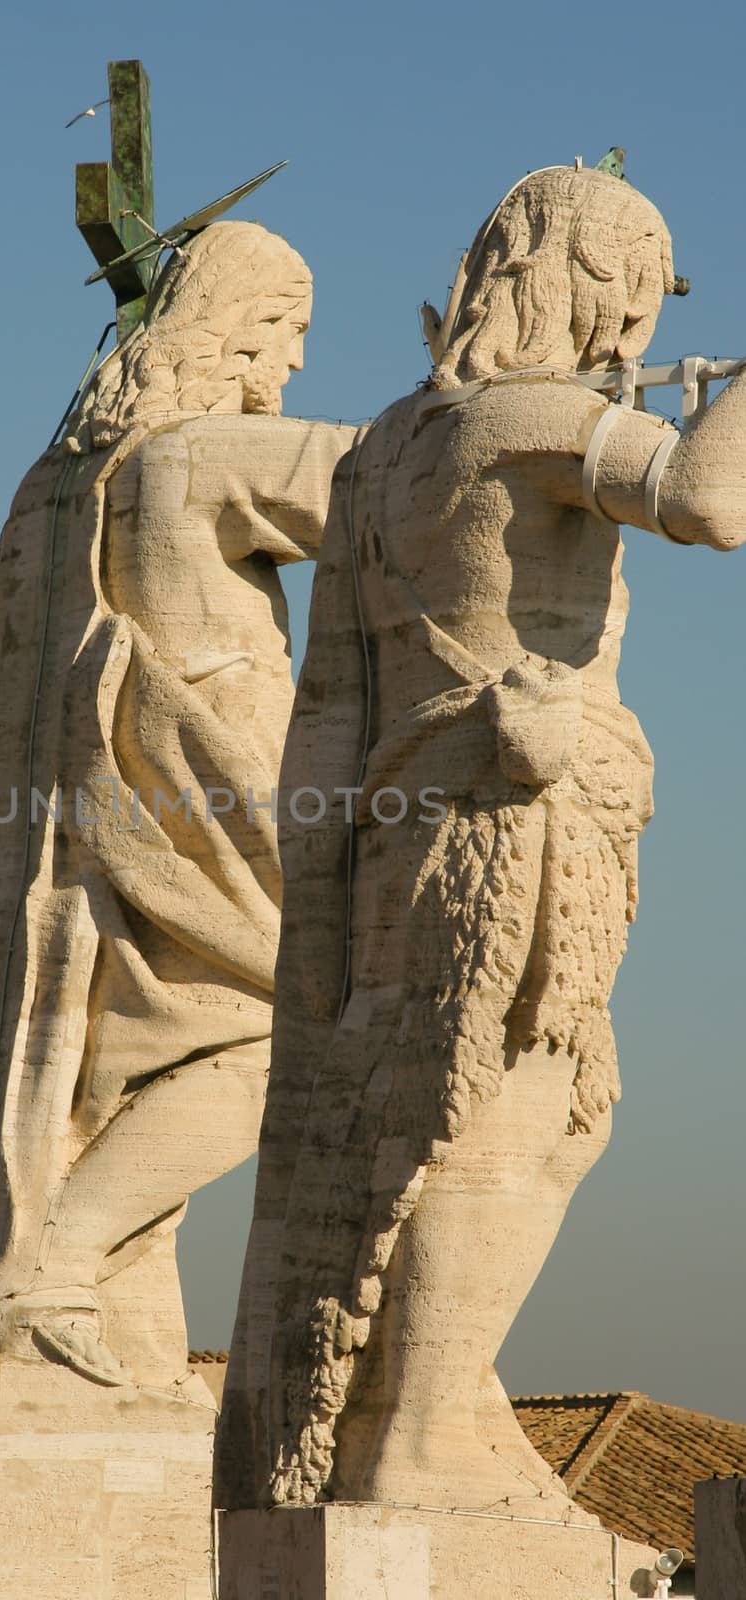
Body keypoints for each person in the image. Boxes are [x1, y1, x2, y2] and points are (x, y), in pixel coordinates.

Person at [216, 163, 746, 1516]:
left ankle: (413, 1411)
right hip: (524, 810)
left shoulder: (379, 450)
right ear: (584, 282)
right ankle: (420, 1436)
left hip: (398, 819)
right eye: (627, 291)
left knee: (496, 1115)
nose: (631, 331)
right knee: (506, 1115)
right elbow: (703, 501)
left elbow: (326, 710)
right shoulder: (535, 416)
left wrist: (324, 915)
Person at [0, 221, 357, 1389]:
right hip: (199, 800)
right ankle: (50, 1261)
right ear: (240, 325)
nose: (296, 364)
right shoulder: (203, 454)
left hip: (63, 825)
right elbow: (399, 483)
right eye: (290, 332)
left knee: (115, 1074)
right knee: (294, 1029)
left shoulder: (53, 481)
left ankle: (71, 1265)